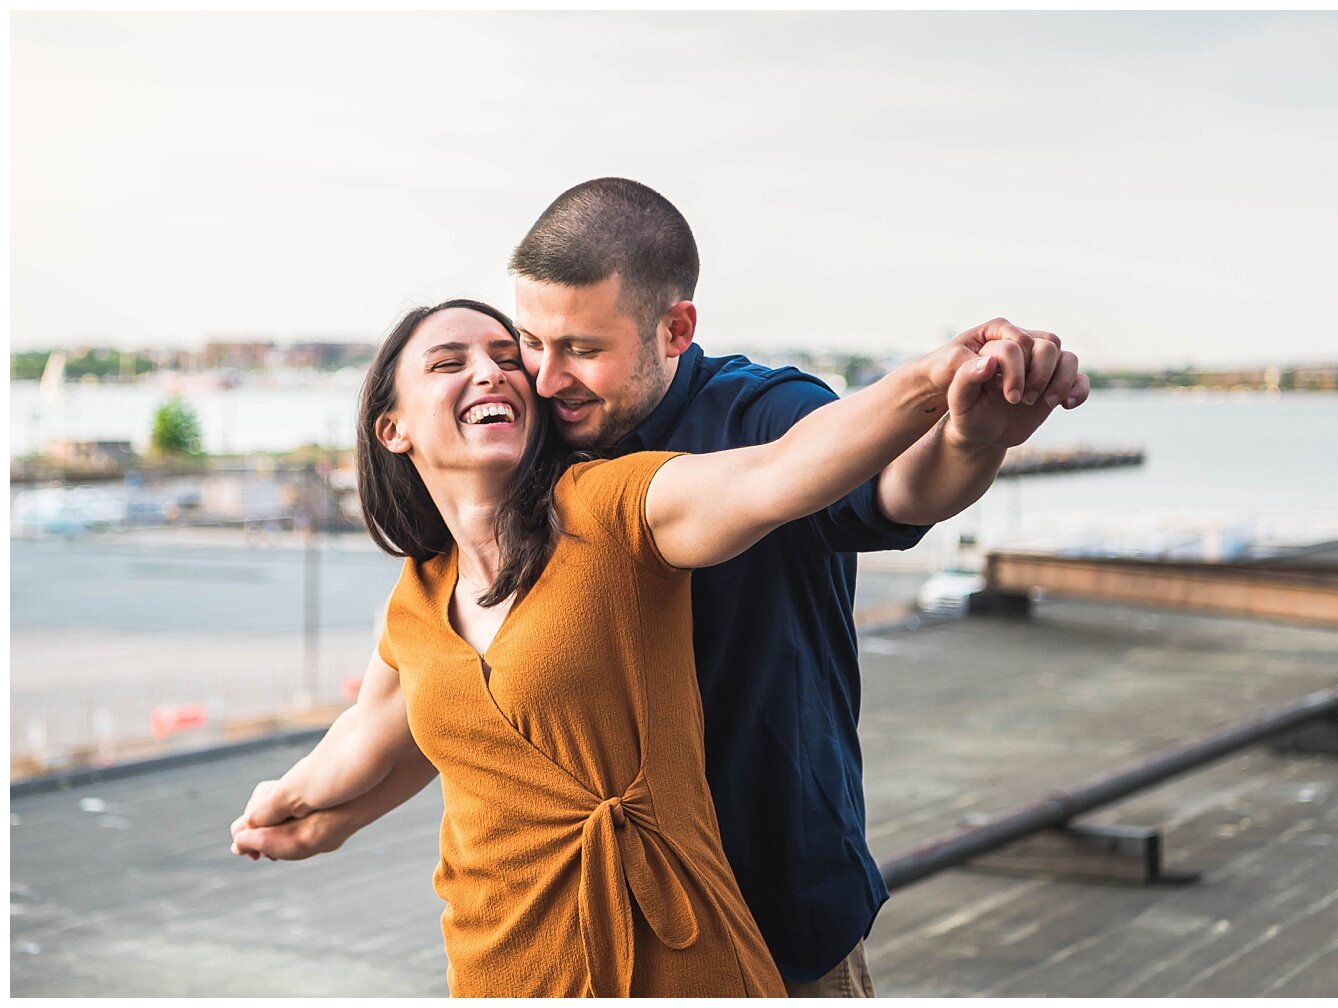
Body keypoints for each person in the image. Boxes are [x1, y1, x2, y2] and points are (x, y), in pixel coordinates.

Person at [231, 178, 1089, 995]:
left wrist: (964, 424)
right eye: (531, 342)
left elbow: (879, 485)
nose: (540, 375)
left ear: (674, 329)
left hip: (771, 898)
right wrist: (311, 812)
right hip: (542, 950)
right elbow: (426, 714)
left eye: (580, 349)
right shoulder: (498, 499)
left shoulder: (734, 426)